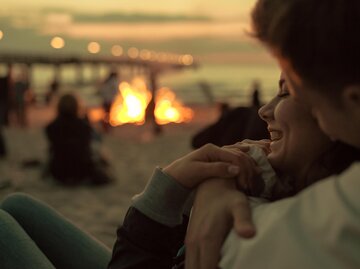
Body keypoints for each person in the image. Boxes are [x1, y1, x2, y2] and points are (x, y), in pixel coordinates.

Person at [108, 73, 360, 269]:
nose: (263, 110)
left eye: (286, 92)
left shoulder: (247, 227)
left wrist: (165, 197)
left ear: (346, 107)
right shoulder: (305, 197)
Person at [184, 0, 360, 268]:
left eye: (290, 90)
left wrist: (218, 181)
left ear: (354, 102)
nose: (264, 111)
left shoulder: (337, 215)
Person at [45, 93, 114, 185]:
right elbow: (93, 142)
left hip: (58, 172)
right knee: (97, 148)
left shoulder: (51, 127)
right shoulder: (84, 127)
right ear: (77, 107)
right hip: (81, 170)